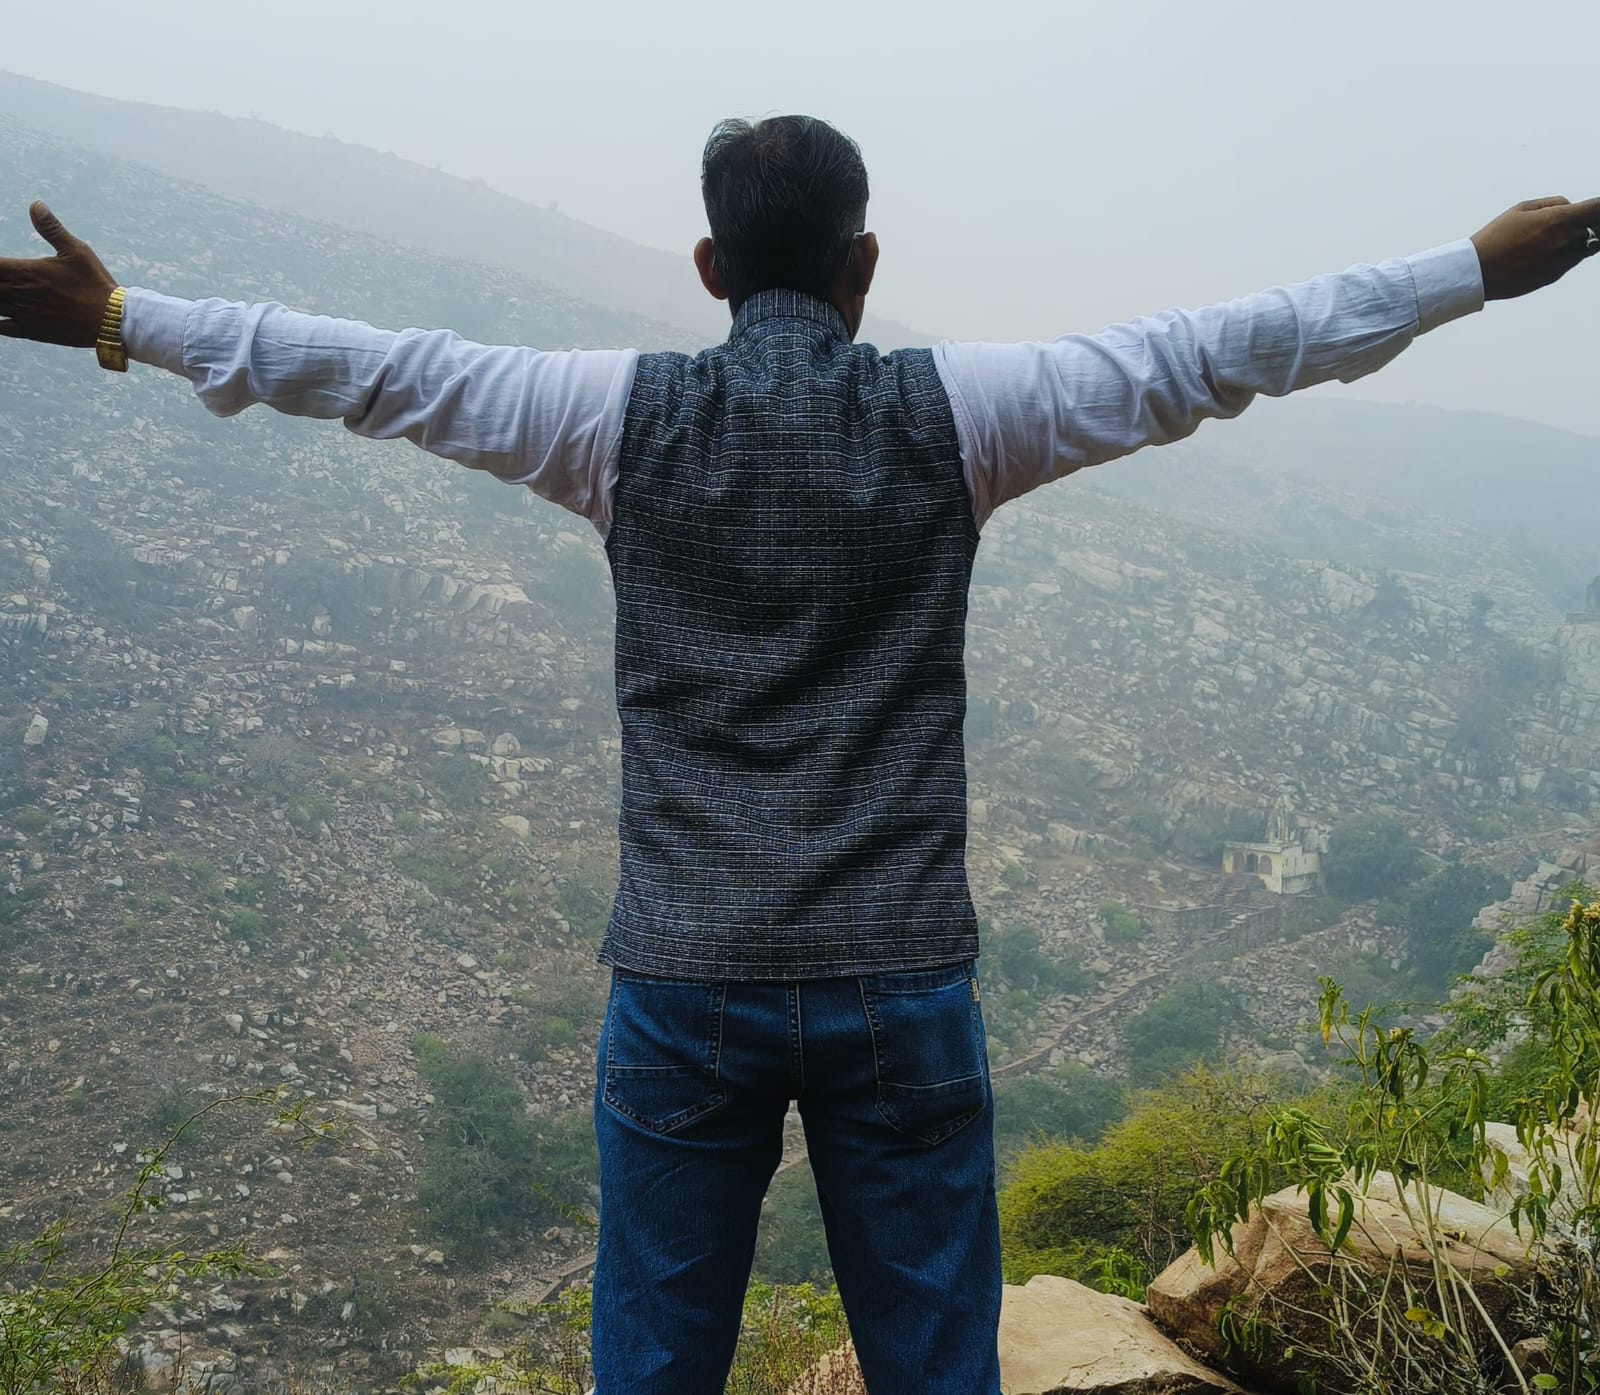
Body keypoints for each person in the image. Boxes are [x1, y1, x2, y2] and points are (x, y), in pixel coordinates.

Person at [2, 114, 1597, 1395]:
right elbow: (1224, 348)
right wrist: (1474, 267)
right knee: (935, 1365)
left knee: (654, 1363)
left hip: (684, 979)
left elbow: (374, 369)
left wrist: (130, 320)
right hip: (899, 981)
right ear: (864, 263)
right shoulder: (967, 413)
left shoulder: (608, 420)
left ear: (709, 265)